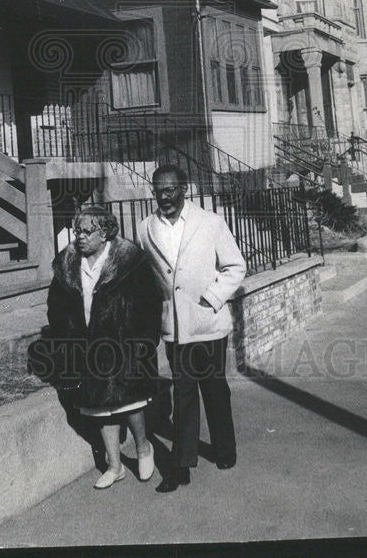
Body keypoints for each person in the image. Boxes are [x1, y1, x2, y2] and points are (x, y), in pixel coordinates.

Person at [136, 164, 247, 493]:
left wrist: (212, 298)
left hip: (209, 324)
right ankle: (180, 466)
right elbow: (146, 277)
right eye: (158, 191)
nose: (164, 197)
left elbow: (235, 265)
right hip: (175, 327)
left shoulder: (210, 223)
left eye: (170, 190)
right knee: (184, 393)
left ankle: (225, 449)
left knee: (214, 389)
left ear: (184, 189)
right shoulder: (145, 228)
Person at [46, 205, 161, 489]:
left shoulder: (130, 261)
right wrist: (66, 339)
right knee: (99, 406)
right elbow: (56, 307)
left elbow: (149, 303)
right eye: (78, 231)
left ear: (106, 232)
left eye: (88, 231)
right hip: (88, 348)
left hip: (124, 345)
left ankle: (144, 447)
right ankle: (114, 465)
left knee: (129, 400)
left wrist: (143, 341)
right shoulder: (68, 263)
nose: (81, 237)